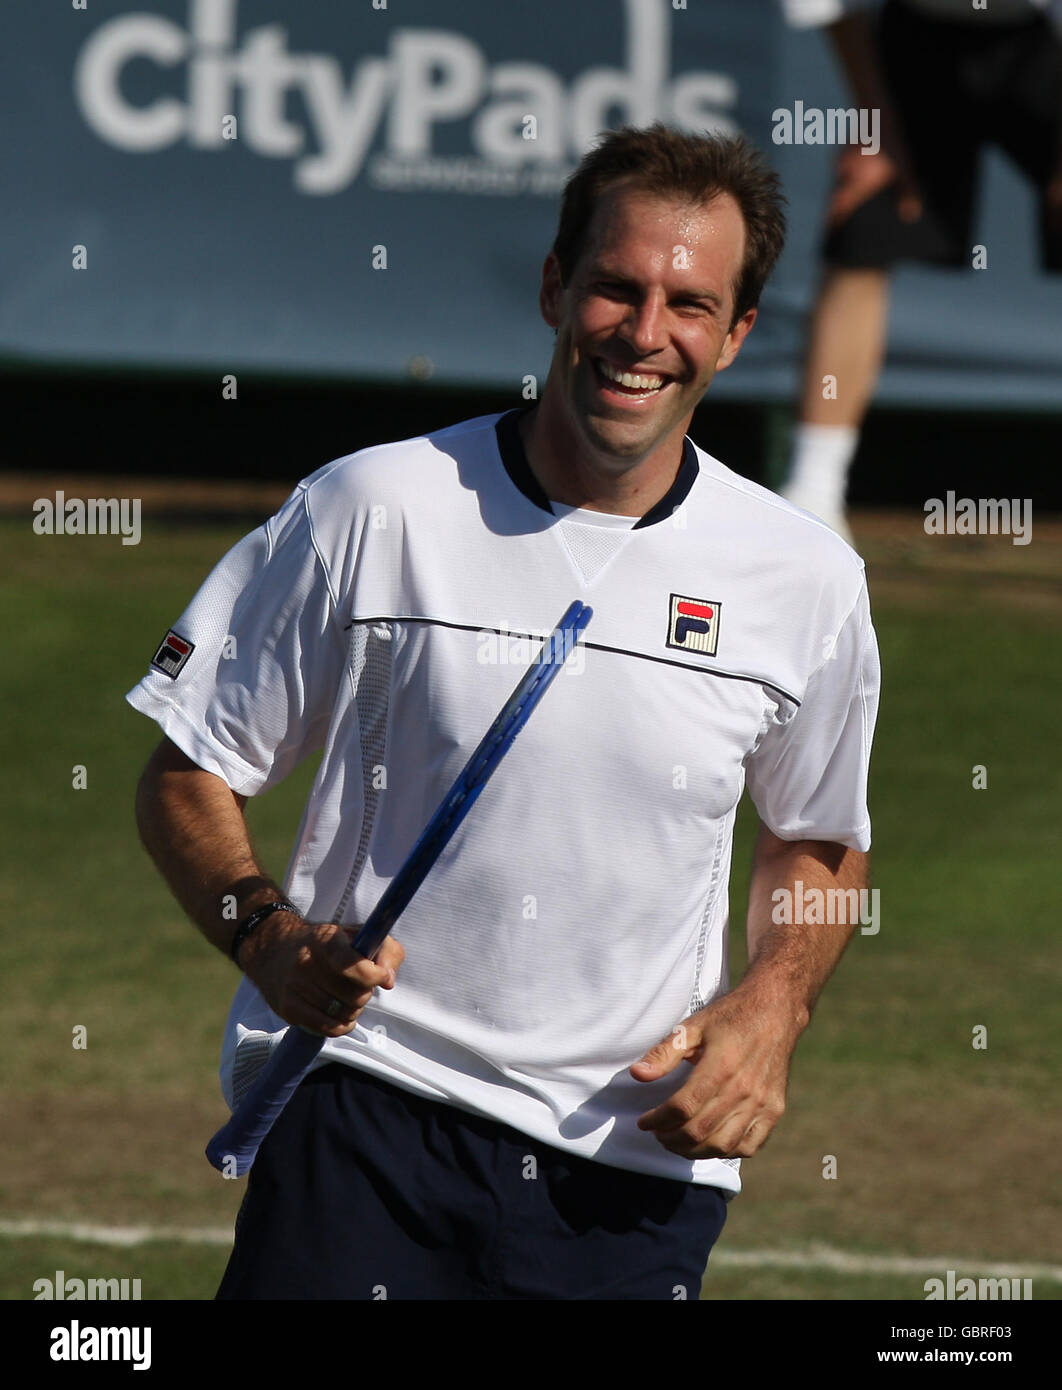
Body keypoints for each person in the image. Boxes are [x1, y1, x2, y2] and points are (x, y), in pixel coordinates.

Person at [130, 123, 880, 1301]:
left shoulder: (807, 580)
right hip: (367, 1111)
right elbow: (188, 767)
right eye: (615, 289)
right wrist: (267, 938)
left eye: (690, 303)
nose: (644, 334)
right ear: (552, 287)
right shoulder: (372, 508)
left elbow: (819, 838)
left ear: (736, 335)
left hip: (628, 1162)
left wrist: (772, 1007)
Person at [779, 0, 1062, 542]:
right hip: (915, 39)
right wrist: (873, 119)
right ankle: (814, 493)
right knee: (862, 226)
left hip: (1042, 40)